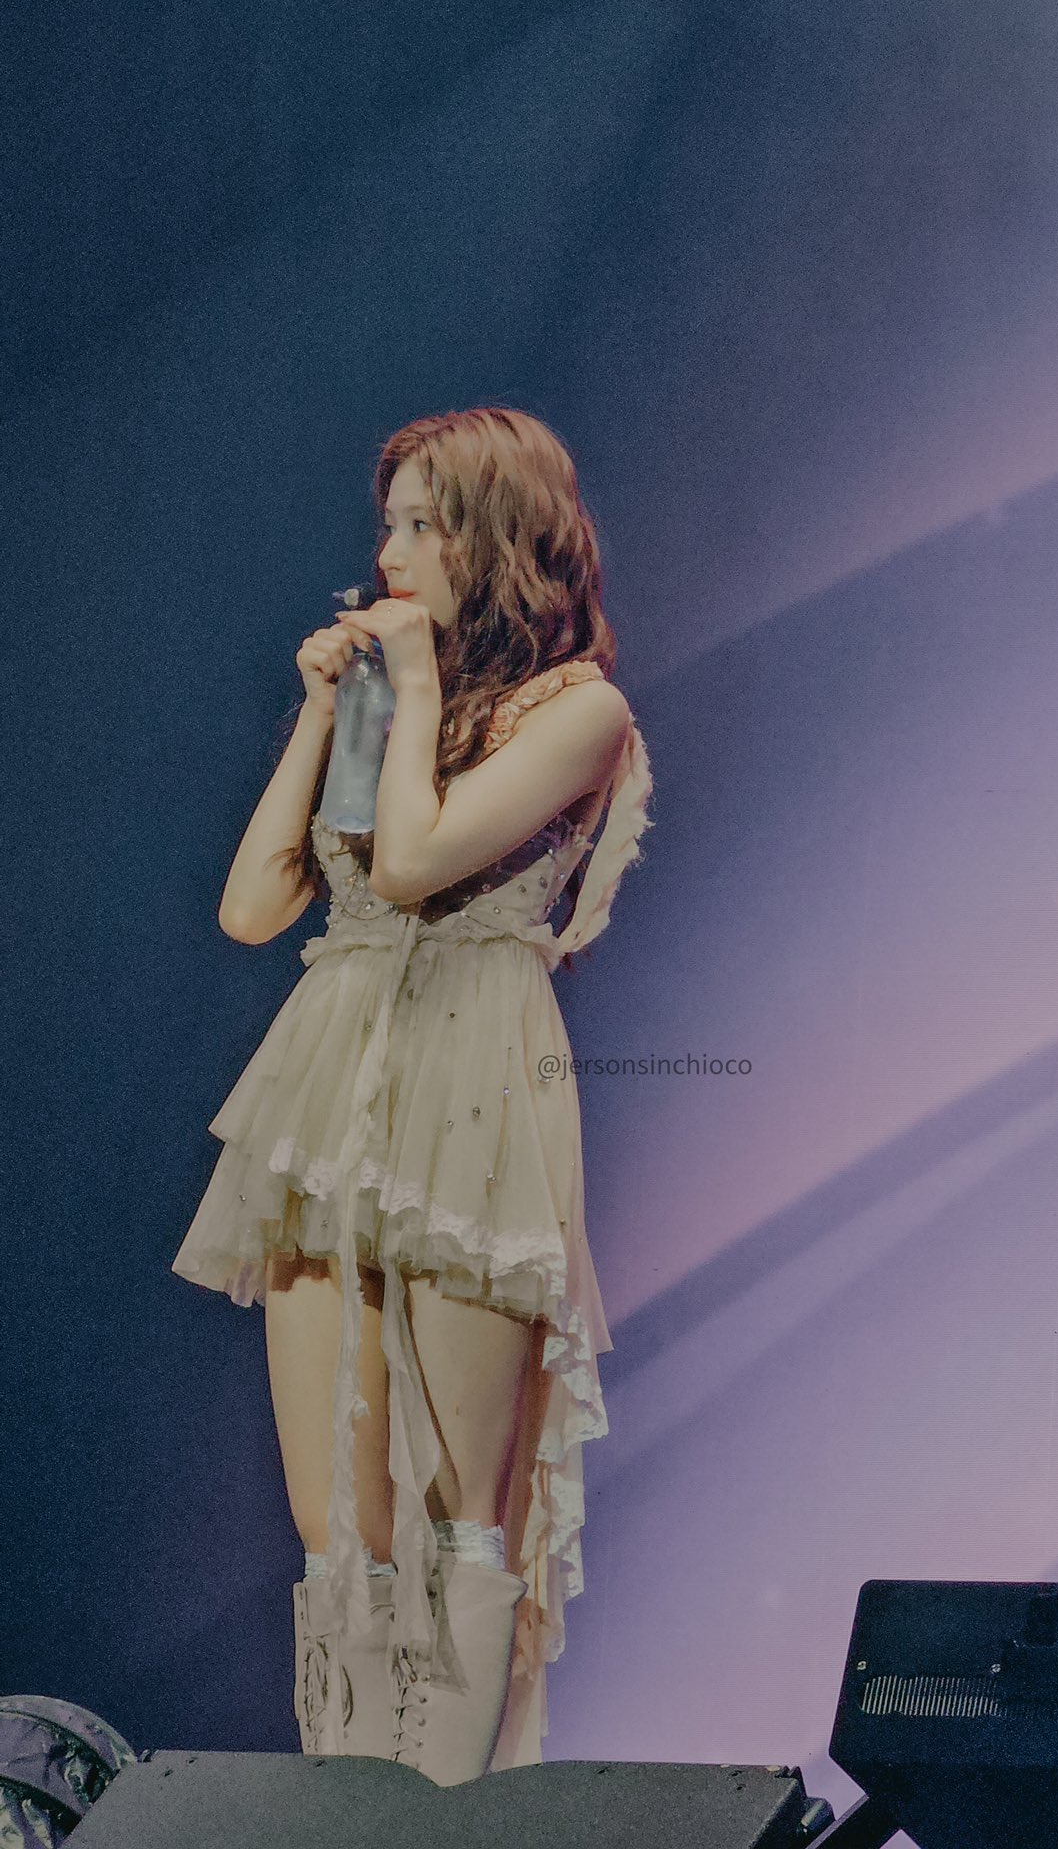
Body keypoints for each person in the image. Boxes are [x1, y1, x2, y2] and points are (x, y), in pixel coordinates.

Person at [172, 406, 654, 1782]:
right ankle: (348, 1802)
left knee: (459, 1515)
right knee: (337, 1517)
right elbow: (253, 908)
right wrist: (331, 711)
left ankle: (445, 1818)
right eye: (386, 522)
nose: (387, 552)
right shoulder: (390, 701)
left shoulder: (579, 711)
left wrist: (417, 687)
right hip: (331, 1085)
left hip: (471, 1085)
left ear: (495, 539)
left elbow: (412, 864)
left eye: (420, 524)